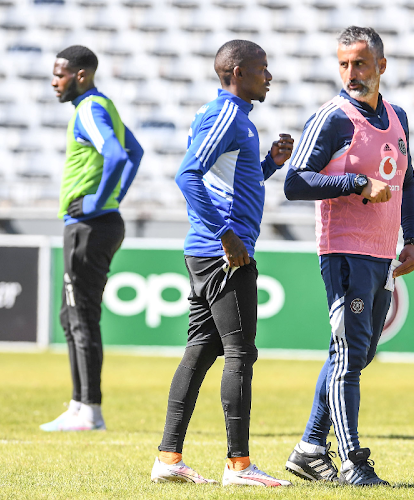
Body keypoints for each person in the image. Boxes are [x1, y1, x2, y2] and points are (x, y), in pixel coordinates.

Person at [150, 40, 294, 487]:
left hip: (212, 250)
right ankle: (239, 466)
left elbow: (229, 179)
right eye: (261, 69)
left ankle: (169, 458)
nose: (268, 76)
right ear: (236, 71)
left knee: (201, 350)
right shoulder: (228, 114)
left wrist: (271, 163)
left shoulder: (238, 119)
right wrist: (226, 235)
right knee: (240, 352)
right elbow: (187, 173)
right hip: (223, 253)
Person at [282, 26, 414, 486]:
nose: (351, 73)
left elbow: (409, 182)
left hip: (382, 255)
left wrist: (412, 239)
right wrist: (356, 183)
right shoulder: (332, 118)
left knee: (355, 354)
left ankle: (308, 448)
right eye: (343, 64)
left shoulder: (398, 117)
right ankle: (352, 462)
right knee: (348, 354)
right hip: (343, 251)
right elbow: (294, 182)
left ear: (381, 66)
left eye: (360, 63)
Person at [40, 45, 144, 432]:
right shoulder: (103, 106)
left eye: (60, 74)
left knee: (81, 317)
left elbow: (117, 155)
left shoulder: (89, 109)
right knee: (72, 316)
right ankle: (79, 405)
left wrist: (100, 202)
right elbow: (136, 150)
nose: (54, 81)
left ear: (80, 75)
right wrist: (113, 200)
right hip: (98, 223)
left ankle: (90, 412)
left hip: (89, 225)